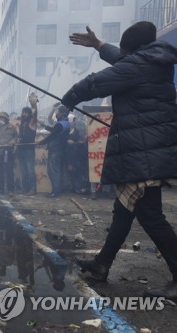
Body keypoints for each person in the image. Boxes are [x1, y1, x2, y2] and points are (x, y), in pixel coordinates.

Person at [63, 22, 177, 299]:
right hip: (147, 148)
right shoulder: (154, 60)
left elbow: (95, 83)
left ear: (136, 50)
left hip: (143, 151)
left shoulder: (138, 66)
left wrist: (68, 99)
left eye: (126, 50)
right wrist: (99, 45)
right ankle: (102, 264)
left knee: (150, 215)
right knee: (123, 211)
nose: (123, 55)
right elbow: (123, 60)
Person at [37, 105, 70, 198]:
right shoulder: (65, 123)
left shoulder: (60, 124)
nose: (56, 113)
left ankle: (55, 192)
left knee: (52, 171)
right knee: (58, 171)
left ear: (63, 113)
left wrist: (41, 142)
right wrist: (44, 125)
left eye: (58, 112)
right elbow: (54, 130)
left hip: (55, 150)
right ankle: (59, 189)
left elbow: (52, 136)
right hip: (61, 150)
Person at [18, 94, 38, 196]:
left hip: (29, 150)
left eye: (26, 113)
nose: (24, 114)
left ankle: (33, 189)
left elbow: (35, 114)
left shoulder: (32, 123)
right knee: (24, 171)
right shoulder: (22, 124)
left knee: (30, 170)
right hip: (21, 150)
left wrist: (33, 104)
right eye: (23, 112)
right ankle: (26, 189)